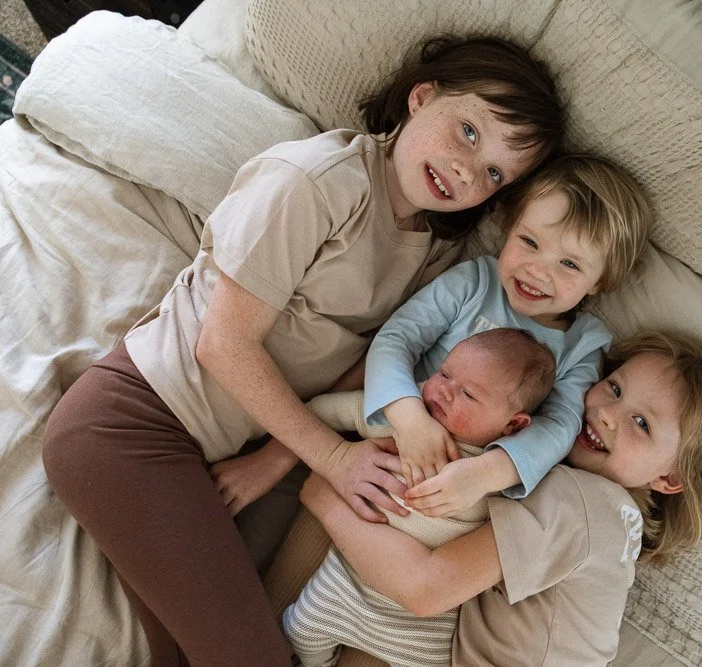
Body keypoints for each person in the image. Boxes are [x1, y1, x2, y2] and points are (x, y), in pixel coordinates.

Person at [40, 34, 565, 666]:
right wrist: (337, 461)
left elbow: (357, 368)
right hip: (132, 425)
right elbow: (224, 344)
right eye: (469, 133)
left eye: (493, 175)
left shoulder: (438, 252)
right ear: (420, 97)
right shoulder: (316, 182)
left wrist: (271, 464)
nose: (466, 170)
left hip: (229, 456)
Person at [296, 329, 702, 666]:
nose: (608, 414)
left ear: (669, 479)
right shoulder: (604, 512)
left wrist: (323, 489)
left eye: (642, 424)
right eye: (614, 388)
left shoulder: (582, 503)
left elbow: (425, 589)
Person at [368, 153, 653, 518]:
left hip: (464, 484)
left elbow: (560, 425)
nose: (536, 270)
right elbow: (396, 339)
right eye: (529, 242)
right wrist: (409, 419)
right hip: (392, 437)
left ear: (599, 281)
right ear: (509, 227)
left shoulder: (580, 346)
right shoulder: (474, 284)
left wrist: (485, 474)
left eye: (569, 264)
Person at [278, 328, 556, 666]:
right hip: (348, 581)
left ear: (513, 425)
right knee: (300, 627)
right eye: (444, 372)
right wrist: (332, 452)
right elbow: (326, 410)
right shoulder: (408, 423)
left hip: (422, 625)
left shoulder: (505, 472)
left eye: (468, 394)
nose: (443, 390)